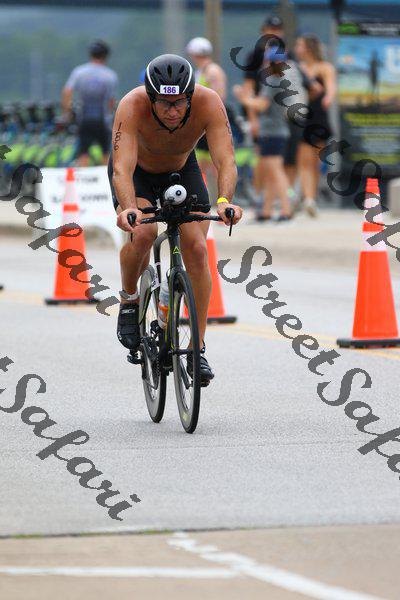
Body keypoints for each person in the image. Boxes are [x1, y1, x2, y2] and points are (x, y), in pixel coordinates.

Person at [108, 54, 242, 384]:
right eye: (164, 103)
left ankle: (197, 349)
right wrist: (128, 208)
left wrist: (225, 201)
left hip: (183, 170)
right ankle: (129, 299)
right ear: (150, 97)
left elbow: (225, 160)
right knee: (143, 234)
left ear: (190, 95)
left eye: (179, 102)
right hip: (138, 174)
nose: (172, 111)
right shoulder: (132, 105)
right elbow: (122, 168)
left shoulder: (209, 103)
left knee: (197, 248)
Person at [234, 48, 291, 222]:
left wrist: (244, 98)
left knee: (276, 171)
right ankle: (266, 211)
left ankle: (286, 210)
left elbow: (262, 105)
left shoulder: (272, 80)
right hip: (277, 131)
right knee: (271, 173)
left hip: (272, 132)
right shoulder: (281, 80)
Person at [295, 34, 336, 217]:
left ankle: (311, 197)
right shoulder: (299, 68)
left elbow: (331, 87)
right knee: (304, 161)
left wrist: (328, 97)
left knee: (315, 162)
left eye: (300, 45)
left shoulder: (324, 67)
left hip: (319, 117)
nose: (297, 48)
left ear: (309, 48)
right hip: (302, 117)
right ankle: (308, 199)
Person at [62, 40, 118, 167]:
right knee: (106, 153)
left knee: (83, 153)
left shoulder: (79, 72)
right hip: (103, 120)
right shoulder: (110, 75)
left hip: (84, 118)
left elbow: (67, 92)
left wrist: (67, 113)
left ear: (90, 54)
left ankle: (83, 179)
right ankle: (106, 178)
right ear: (105, 56)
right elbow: (111, 101)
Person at [186, 37, 227, 197]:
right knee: (201, 163)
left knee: (215, 164)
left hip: (210, 121)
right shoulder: (201, 71)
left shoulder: (212, 71)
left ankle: (221, 196)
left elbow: (219, 97)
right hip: (201, 122)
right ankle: (203, 195)